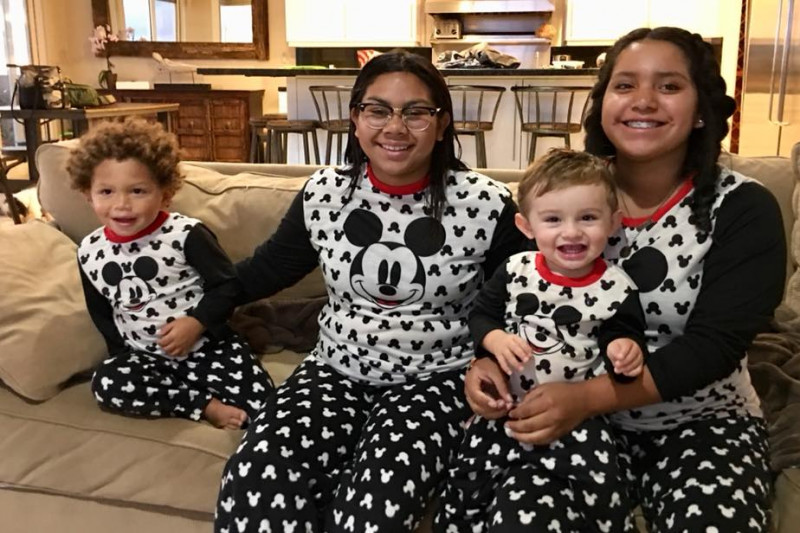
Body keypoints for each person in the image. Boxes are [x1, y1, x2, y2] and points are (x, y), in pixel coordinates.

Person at [465, 26, 786, 531]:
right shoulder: (560, 195)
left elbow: (714, 348)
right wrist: (485, 360)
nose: (643, 101)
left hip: (698, 422)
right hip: (567, 419)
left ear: (701, 108)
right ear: (603, 104)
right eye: (625, 84)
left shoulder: (743, 208)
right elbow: (506, 297)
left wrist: (586, 398)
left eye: (669, 86)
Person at [213, 50, 525, 532]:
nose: (395, 127)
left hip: (435, 379)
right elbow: (268, 269)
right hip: (334, 369)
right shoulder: (324, 194)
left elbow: (525, 296)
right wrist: (195, 304)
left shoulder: (485, 203)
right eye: (378, 110)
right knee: (258, 475)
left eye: (416, 112)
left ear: (442, 124)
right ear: (355, 120)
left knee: (375, 508)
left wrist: (489, 358)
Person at [435, 148, 647, 533]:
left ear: (614, 222)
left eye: (588, 217)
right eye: (553, 219)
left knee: (602, 488)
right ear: (526, 225)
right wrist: (494, 339)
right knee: (468, 479)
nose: (571, 232)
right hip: (506, 409)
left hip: (578, 416)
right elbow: (481, 315)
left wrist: (625, 350)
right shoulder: (515, 270)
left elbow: (626, 334)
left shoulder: (617, 287)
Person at [69, 118, 273, 430]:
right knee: (108, 382)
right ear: (88, 194)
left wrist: (197, 322)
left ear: (165, 194)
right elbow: (102, 313)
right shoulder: (89, 251)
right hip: (146, 360)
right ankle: (202, 405)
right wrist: (121, 357)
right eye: (106, 191)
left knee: (266, 410)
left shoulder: (186, 235)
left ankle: (207, 397)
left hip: (208, 350)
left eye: (138, 191)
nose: (122, 204)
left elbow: (228, 285)